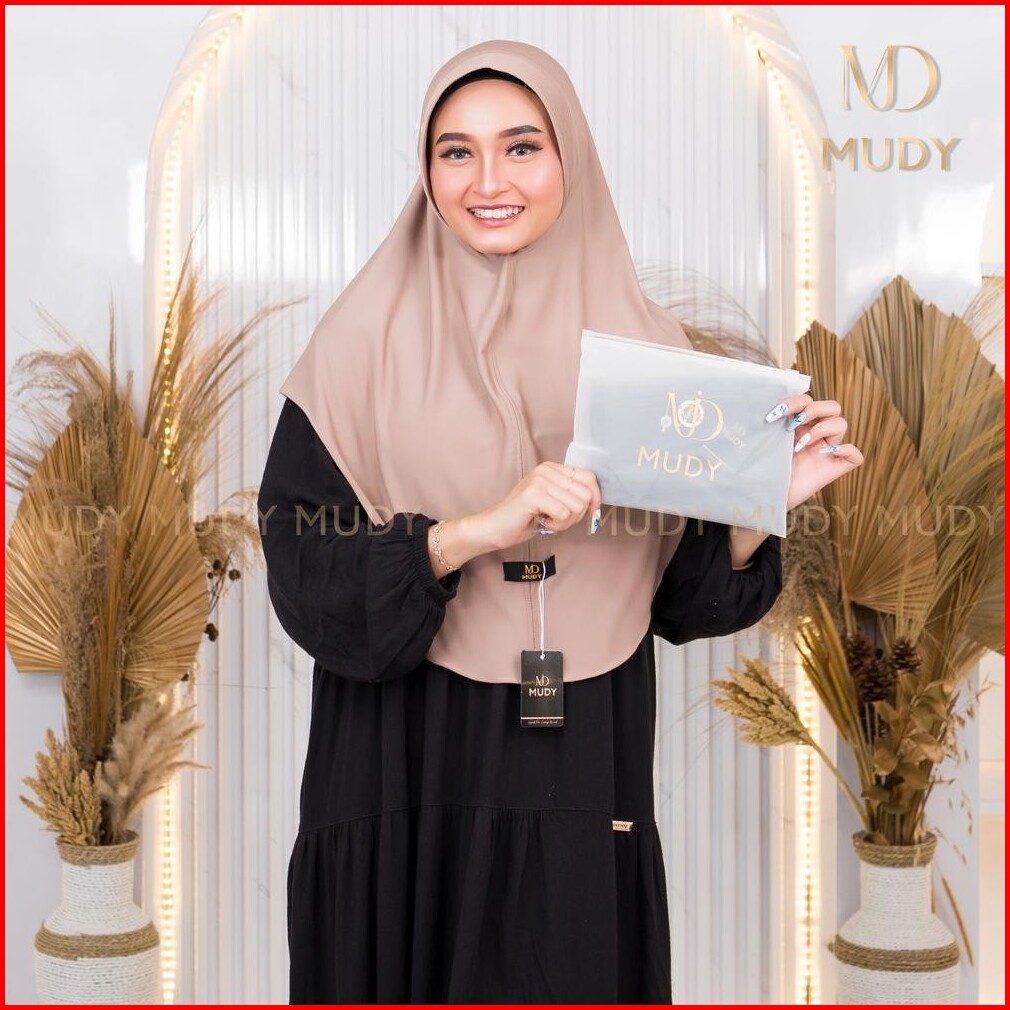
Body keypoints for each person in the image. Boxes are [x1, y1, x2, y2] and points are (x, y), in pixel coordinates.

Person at [258, 40, 863, 1004]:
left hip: (577, 757)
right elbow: (302, 573)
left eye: (521, 147)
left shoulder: (649, 353)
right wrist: (473, 531)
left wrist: (757, 499)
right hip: (399, 763)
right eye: (456, 152)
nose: (488, 181)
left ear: (569, 156)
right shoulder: (356, 347)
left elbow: (684, 602)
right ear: (426, 170)